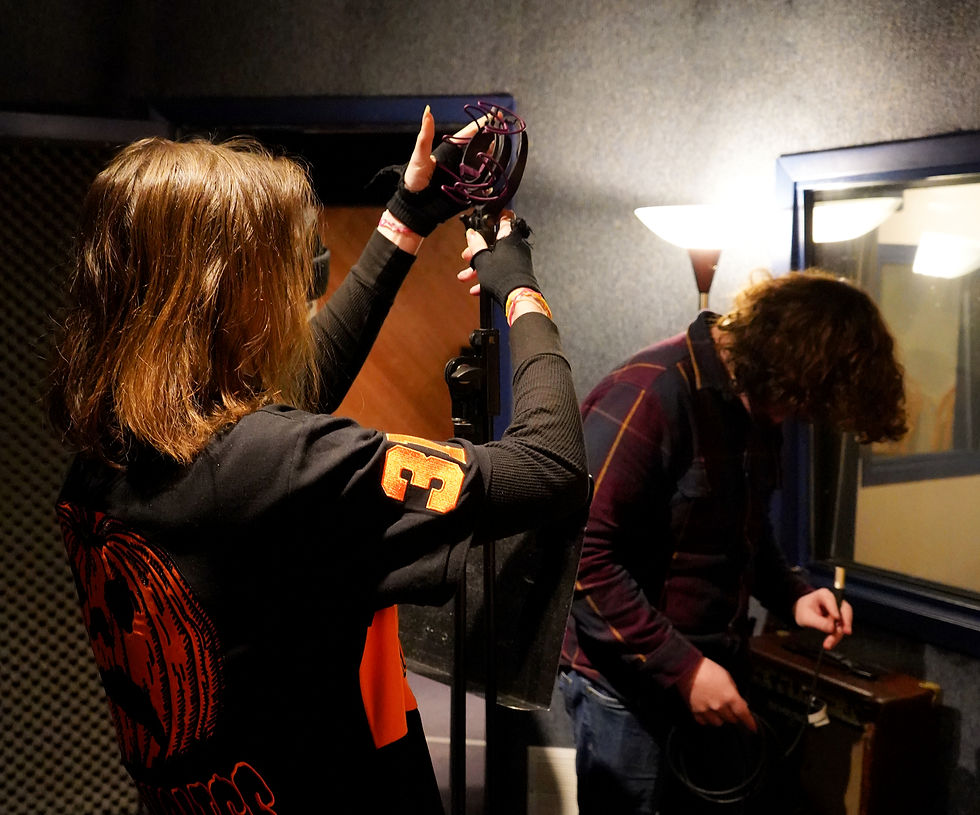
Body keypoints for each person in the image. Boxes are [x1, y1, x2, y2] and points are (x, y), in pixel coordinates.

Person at [46, 106, 589, 815]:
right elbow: (550, 466)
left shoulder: (107, 450)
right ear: (222, 294)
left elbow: (287, 398)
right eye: (279, 269)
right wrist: (520, 288)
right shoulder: (276, 465)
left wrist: (407, 217)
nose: (299, 288)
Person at [559, 271, 907, 814]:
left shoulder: (756, 396)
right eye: (800, 402)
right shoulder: (652, 390)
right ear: (785, 363)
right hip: (627, 689)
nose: (793, 417)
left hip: (710, 675)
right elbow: (579, 556)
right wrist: (685, 668)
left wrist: (792, 595)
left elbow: (743, 529)